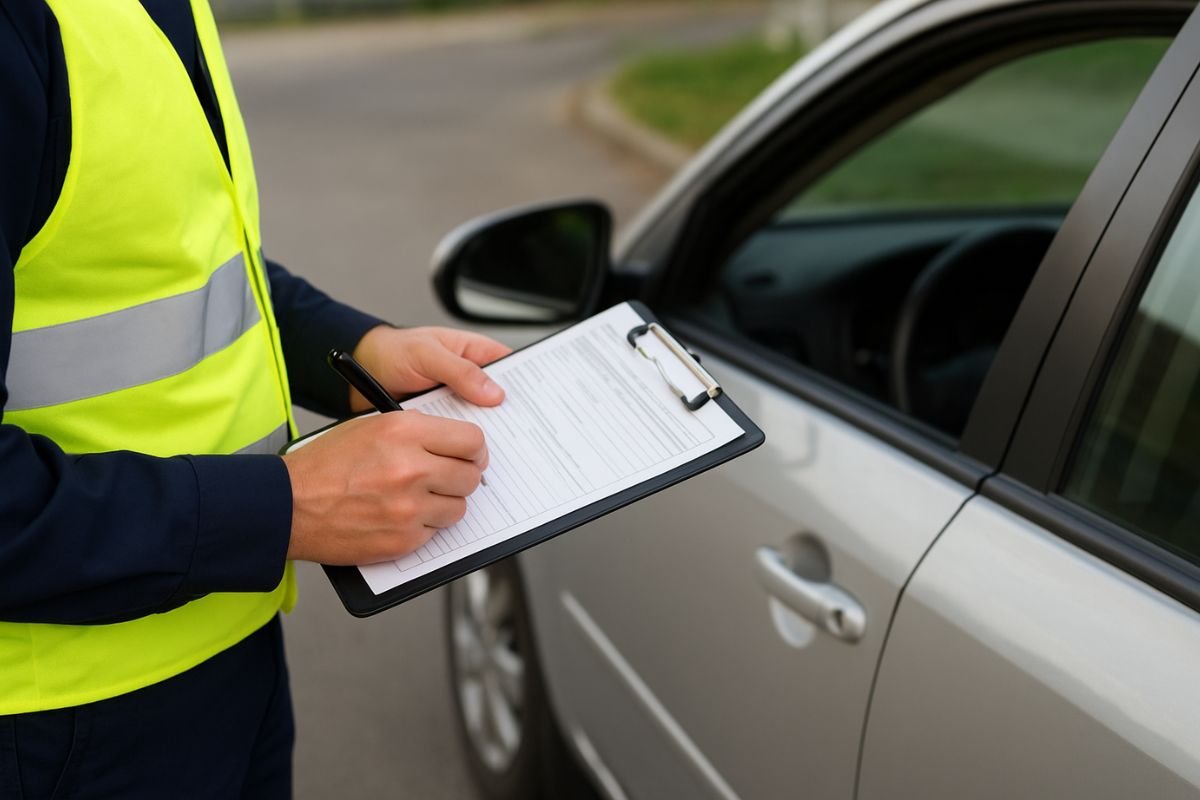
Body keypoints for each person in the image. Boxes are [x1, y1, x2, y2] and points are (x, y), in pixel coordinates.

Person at [0, 0, 510, 796]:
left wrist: (355, 351)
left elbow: (176, 257)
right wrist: (287, 506)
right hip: (54, 726)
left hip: (227, 649)